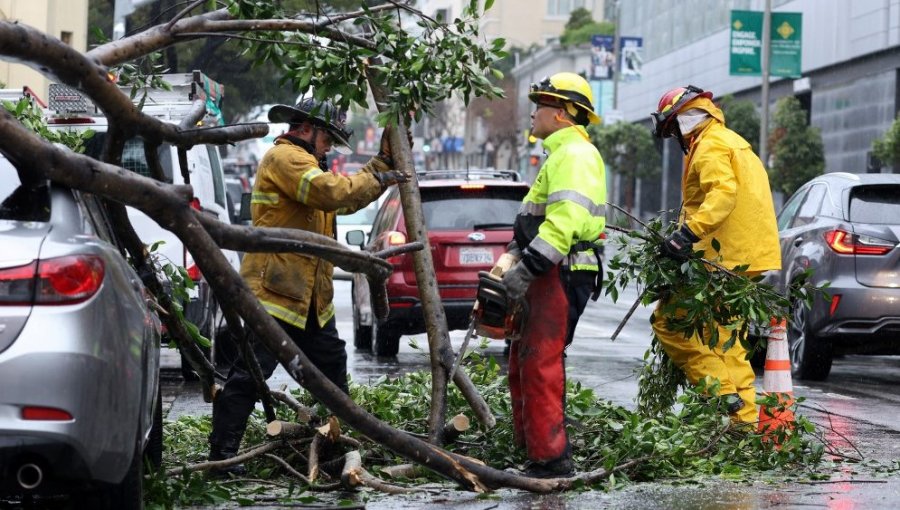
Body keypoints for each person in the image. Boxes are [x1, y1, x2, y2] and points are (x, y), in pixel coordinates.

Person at [207, 98, 408, 475]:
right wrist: (380, 177)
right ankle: (222, 455)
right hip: (276, 293)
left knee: (332, 367)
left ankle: (337, 442)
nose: (329, 146)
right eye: (327, 138)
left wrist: (382, 164)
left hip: (312, 298)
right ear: (305, 129)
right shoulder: (285, 159)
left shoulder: (309, 164)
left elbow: (341, 195)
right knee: (251, 375)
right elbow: (334, 193)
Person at [649, 85, 781, 423]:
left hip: (722, 258)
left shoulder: (709, 146)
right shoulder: (728, 139)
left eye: (672, 129)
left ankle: (720, 392)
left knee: (670, 322)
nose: (674, 137)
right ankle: (744, 424)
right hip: (746, 257)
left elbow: (722, 194)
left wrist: (686, 235)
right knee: (728, 340)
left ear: (682, 120)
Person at [497, 72, 606, 478]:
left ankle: (551, 461)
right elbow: (534, 221)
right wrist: (512, 256)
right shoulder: (559, 154)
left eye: (540, 105)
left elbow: (563, 224)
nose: (533, 113)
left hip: (559, 274)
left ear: (561, 114)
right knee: (524, 361)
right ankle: (534, 451)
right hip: (549, 272)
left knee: (540, 362)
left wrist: (527, 270)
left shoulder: (574, 156)